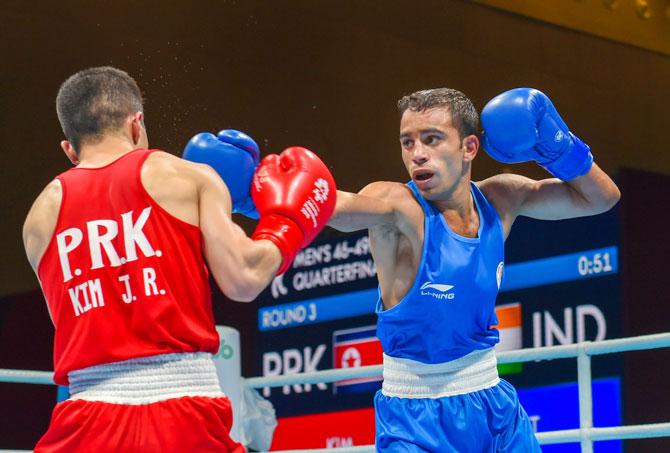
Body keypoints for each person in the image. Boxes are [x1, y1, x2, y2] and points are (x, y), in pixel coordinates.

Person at [22, 66, 336, 452]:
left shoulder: (38, 218)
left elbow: (72, 319)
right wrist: (287, 225)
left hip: (85, 417)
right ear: (136, 124)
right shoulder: (187, 177)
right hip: (183, 412)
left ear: (69, 149)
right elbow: (244, 278)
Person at [327, 87, 621, 451]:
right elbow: (339, 208)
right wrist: (263, 195)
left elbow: (601, 198)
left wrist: (556, 148)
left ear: (469, 148)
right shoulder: (400, 208)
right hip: (415, 418)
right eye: (407, 142)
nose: (417, 154)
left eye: (432, 139)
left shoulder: (501, 199)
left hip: (492, 402)